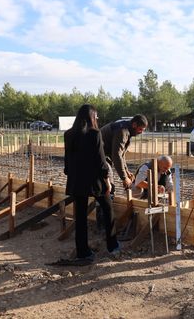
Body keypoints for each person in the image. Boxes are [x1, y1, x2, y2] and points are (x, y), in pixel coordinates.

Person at [63, 104, 119, 265]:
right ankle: (112, 245)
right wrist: (107, 181)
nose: (98, 119)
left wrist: (72, 175)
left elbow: (67, 163)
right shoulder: (95, 134)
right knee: (108, 210)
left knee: (80, 217)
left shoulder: (68, 134)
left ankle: (83, 252)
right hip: (95, 182)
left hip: (76, 181)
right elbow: (101, 162)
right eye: (97, 116)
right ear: (92, 117)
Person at [100, 114, 148, 190]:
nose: (141, 132)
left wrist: (126, 171)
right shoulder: (122, 131)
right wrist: (124, 177)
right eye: (140, 129)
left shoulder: (126, 126)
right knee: (109, 188)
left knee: (105, 188)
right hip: (97, 156)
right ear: (134, 125)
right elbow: (116, 155)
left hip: (102, 155)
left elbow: (121, 155)